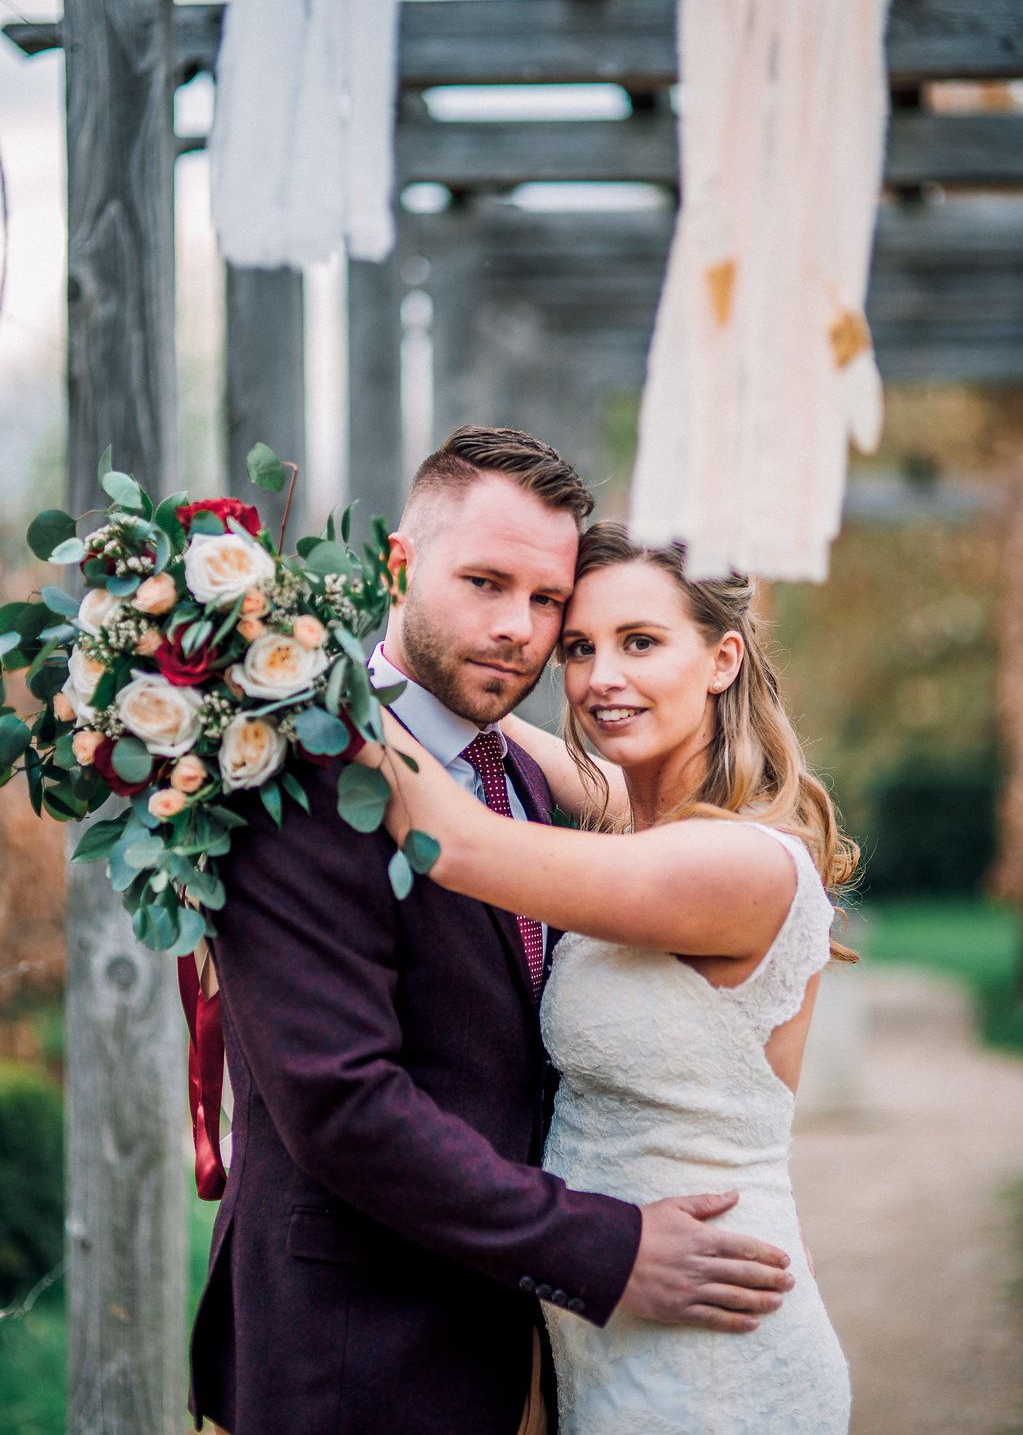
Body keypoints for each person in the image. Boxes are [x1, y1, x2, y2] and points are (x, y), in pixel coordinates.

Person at [187, 429, 795, 1435]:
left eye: (547, 600)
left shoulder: (517, 774)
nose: (519, 627)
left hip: (511, 1347)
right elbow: (341, 1102)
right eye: (483, 581)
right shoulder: (300, 770)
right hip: (351, 1358)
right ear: (396, 564)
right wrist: (601, 1249)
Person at [356, 518, 858, 1435]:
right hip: (611, 1328)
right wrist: (338, 636)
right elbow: (475, 727)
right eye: (579, 649)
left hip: (706, 1349)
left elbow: (455, 842)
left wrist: (299, 695)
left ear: (723, 659)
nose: (599, 680)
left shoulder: (738, 865)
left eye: (640, 643)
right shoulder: (633, 820)